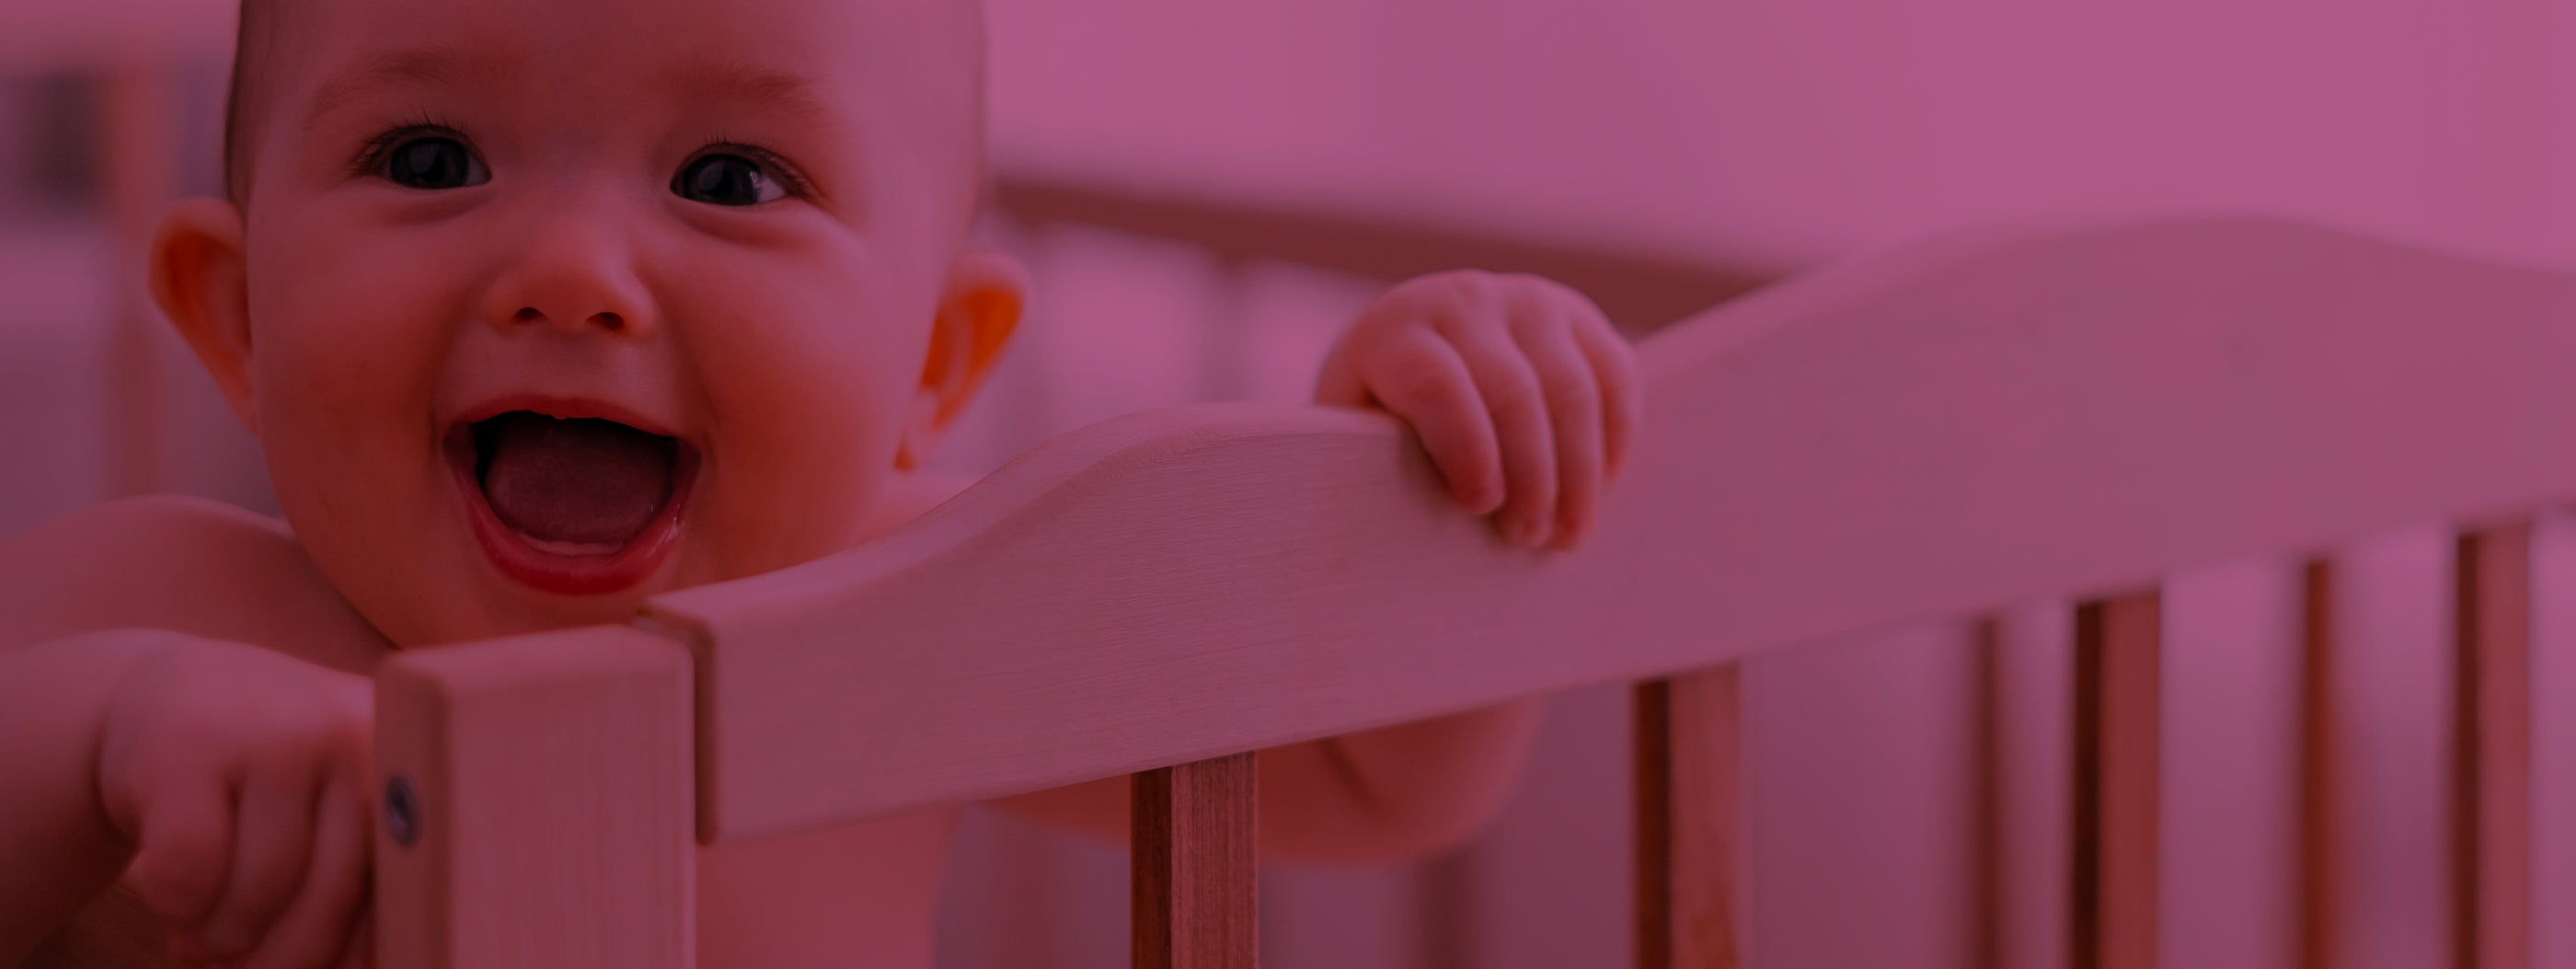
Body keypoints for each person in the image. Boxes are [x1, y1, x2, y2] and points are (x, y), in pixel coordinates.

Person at [0, 0, 1645, 964]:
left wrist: (1442, 466)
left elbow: (1374, 778)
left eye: (731, 178)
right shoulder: (160, 614)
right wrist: (109, 728)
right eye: (430, 161)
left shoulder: (926, 606)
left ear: (936, 361)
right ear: (237, 321)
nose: (571, 273)